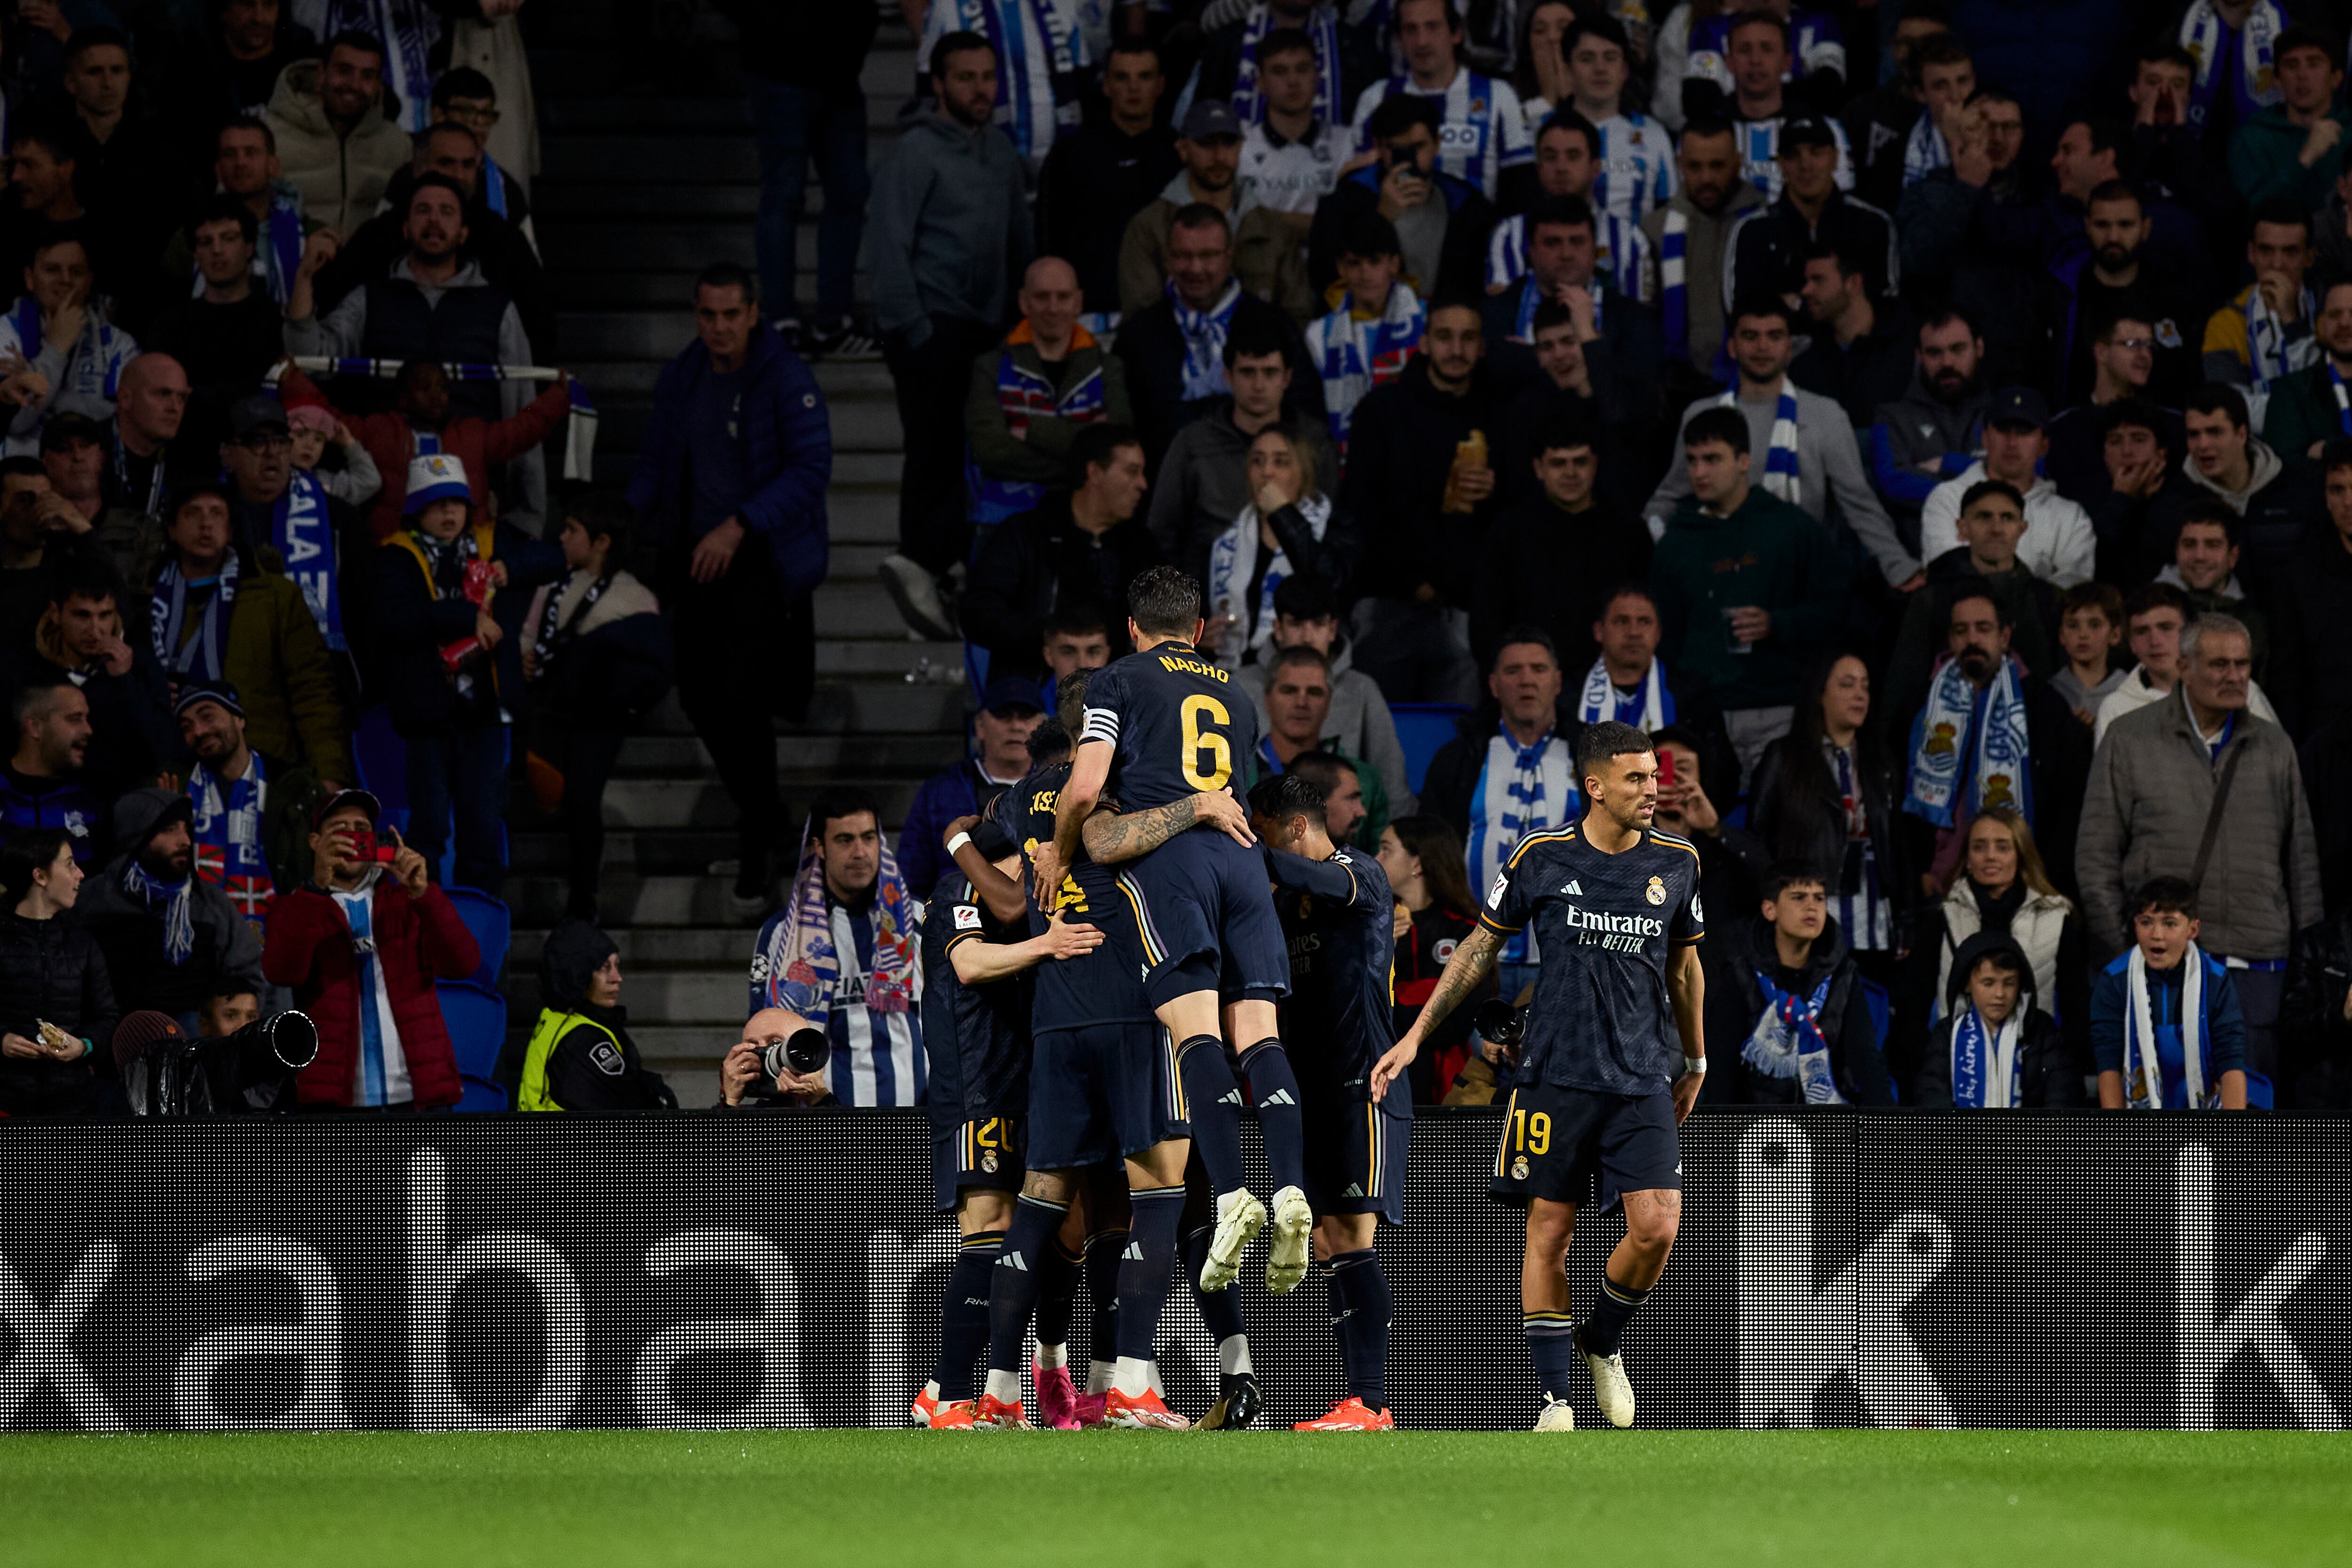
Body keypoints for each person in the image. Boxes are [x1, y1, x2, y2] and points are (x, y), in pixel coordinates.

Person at [1370, 720, 1704, 1433]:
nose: (1654, 789)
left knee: (1659, 1227)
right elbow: (1473, 954)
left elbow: (1684, 967)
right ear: (1596, 786)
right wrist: (1415, 1036)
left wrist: (1697, 1059)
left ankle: (1602, 1341)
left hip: (1643, 1072)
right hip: (1554, 1071)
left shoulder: (1678, 861)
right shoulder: (1540, 856)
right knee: (1550, 1232)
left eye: (1654, 777)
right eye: (1637, 779)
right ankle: (1554, 1400)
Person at [1049, 566, 1317, 1359]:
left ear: (1133, 628)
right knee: (1261, 1032)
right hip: (1242, 863)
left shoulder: (1117, 680)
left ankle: (1234, 1190)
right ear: (1199, 630)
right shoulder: (1235, 693)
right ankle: (1292, 1184)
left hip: (1174, 868)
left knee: (1195, 1031)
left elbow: (1088, 784)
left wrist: (1059, 852)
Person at [628, 262, 831, 912]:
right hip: (693, 559)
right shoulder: (684, 375)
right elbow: (658, 459)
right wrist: (627, 529)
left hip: (760, 562)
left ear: (752, 313)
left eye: (729, 315)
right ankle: (769, 815)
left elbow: (810, 468)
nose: (718, 327)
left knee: (743, 700)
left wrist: (741, 525)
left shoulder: (783, 377)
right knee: (699, 696)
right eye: (707, 315)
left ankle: (758, 841)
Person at [2077, 616, 2320, 1083]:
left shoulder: (2274, 746)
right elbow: (2094, 858)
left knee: (2243, 1134)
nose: (2233, 676)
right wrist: (2130, 950)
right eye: (2218, 665)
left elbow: (2301, 863)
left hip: (2256, 971)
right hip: (2160, 967)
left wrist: (2305, 967)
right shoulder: (2128, 739)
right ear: (2184, 668)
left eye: (2241, 664)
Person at [924, 812, 1103, 1430]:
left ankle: (1041, 1374)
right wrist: (1046, 943)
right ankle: (949, 1396)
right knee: (990, 1233)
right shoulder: (958, 891)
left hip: (1032, 1086)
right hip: (977, 1086)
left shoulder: (1037, 902)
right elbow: (970, 963)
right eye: (1030, 860)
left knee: (1059, 1231)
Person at [1246, 772, 1407, 1431]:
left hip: (1363, 1082)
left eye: (1259, 834)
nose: (1254, 848)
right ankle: (1358, 1401)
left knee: (1352, 1238)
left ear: (1295, 828)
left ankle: (1370, 1401)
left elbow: (1317, 881)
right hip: (1309, 1091)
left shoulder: (1360, 873)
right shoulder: (1285, 908)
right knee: (1331, 1244)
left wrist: (1219, 841)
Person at [867, 31, 1033, 640]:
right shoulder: (914, 152)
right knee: (934, 450)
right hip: (931, 325)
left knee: (974, 453)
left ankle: (937, 568)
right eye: (965, 77)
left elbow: (1022, 242)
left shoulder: (1001, 154)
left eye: (987, 76)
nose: (980, 88)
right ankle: (918, 562)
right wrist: (913, 330)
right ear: (938, 84)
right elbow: (887, 247)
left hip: (988, 332)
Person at [366, 452, 559, 895]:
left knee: (482, 823)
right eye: (436, 505)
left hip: (485, 713)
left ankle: (483, 927)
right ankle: (423, 916)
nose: (449, 513)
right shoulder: (395, 555)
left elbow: (554, 559)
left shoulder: (494, 542)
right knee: (429, 824)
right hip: (429, 715)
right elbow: (393, 619)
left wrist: (513, 568)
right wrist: (462, 618)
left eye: (456, 503)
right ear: (417, 511)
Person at [1645, 298, 1915, 595]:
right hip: (1716, 574)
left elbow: (1860, 505)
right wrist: (1656, 544)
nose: (1762, 347)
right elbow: (1669, 497)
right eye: (1750, 336)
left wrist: (1899, 568)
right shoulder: (1701, 415)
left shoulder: (1825, 415)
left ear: (1790, 348)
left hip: (1800, 580)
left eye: (1774, 336)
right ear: (1733, 347)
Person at [1648, 405, 1848, 784]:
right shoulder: (1676, 541)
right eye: (1692, 461)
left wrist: (1777, 623)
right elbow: (1665, 637)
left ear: (1744, 461)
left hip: (1778, 709)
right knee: (1695, 829)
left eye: (1712, 459)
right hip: (1699, 716)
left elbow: (1837, 609)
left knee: (1781, 831)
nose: (1699, 472)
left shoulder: (1791, 528)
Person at [262, 788, 481, 1110]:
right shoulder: (295, 907)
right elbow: (282, 971)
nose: (352, 838)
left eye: (361, 830)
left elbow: (463, 964)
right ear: (315, 841)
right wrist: (316, 888)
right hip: (334, 1102)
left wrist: (424, 894)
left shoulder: (409, 903)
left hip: (418, 1097)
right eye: (340, 830)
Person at [519, 489, 671, 923]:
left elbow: (645, 666)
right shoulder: (552, 584)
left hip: (599, 718)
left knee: (584, 799)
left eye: (572, 531)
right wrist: (526, 658)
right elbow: (530, 635)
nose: (562, 538)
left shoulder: (633, 597)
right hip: (553, 709)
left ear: (602, 542)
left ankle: (583, 896)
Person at [1340, 295, 1499, 705]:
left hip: (1465, 610)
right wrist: (1415, 582)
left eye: (1468, 339)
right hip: (1387, 601)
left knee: (1454, 736)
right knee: (1381, 734)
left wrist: (1495, 488)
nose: (1457, 349)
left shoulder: (1499, 415)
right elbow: (1362, 510)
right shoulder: (1381, 411)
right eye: (1445, 337)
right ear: (1424, 342)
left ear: (1482, 347)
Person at [1416, 629, 1583, 1001]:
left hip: (1567, 962)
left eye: (1538, 669)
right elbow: (1430, 851)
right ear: (1493, 684)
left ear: (1557, 682)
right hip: (1474, 961)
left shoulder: (1590, 756)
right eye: (1514, 671)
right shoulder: (1459, 758)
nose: (1526, 680)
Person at [150, 483, 351, 784]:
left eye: (217, 514)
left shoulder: (276, 597)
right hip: (176, 777)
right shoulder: (148, 604)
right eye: (193, 514)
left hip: (269, 771)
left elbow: (313, 693)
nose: (206, 524)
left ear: (230, 530)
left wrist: (330, 775)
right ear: (171, 530)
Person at [1899, 584, 2090, 899]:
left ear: (2004, 636)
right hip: (1940, 883)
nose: (1972, 639)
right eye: (1962, 630)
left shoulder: (2043, 705)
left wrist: (2046, 876)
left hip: (2025, 883)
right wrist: (1919, 868)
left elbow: (2068, 802)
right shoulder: (1921, 707)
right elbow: (1904, 803)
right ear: (1951, 639)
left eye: (1983, 628)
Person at [1111, 203, 1323, 473]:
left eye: (1208, 255)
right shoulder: (1138, 336)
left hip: (1263, 485)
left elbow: (1308, 417)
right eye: (1183, 256)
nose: (1196, 269)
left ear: (1228, 257)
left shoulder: (1275, 324)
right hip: (1172, 489)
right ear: (1169, 259)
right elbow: (1123, 433)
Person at [747, 788, 925, 1106]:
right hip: (823, 1124)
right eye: (845, 840)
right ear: (820, 847)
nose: (860, 852)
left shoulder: (921, 920)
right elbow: (761, 1036)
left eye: (869, 837)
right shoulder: (780, 934)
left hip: (917, 1118)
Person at [275, 357, 569, 543]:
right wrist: (293, 381)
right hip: (392, 551)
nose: (435, 396)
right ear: (402, 398)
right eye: (424, 388)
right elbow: (328, 417)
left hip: (464, 552)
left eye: (442, 388)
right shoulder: (379, 431)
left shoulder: (472, 435)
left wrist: (557, 396)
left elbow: (523, 428)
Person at [1747, 651, 1909, 986]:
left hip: (1875, 920)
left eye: (1865, 686)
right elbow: (1757, 838)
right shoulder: (1785, 757)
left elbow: (1897, 843)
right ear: (1820, 694)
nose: (1860, 694)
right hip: (1809, 915)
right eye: (1847, 685)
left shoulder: (1881, 761)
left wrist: (1905, 916)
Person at [729, 0, 874, 357]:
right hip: (780, 67)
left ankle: (831, 320)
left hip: (837, 71)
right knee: (785, 195)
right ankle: (781, 318)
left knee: (848, 193)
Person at [964, 423, 1161, 686]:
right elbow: (979, 612)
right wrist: (1049, 637)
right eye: (1132, 472)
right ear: (1094, 473)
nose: (1143, 485)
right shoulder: (1026, 535)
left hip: (1120, 700)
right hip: (1030, 697)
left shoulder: (1142, 548)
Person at [1903, 804, 2088, 1083]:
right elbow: (1913, 1007)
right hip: (1958, 1073)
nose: (1990, 856)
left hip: (2034, 1077)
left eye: (2002, 847)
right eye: (1979, 847)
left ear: (2021, 855)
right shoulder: (1943, 917)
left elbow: (2077, 1011)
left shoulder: (2057, 918)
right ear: (1967, 858)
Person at [1144, 316, 1337, 581]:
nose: (1258, 385)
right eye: (1248, 372)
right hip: (1211, 593)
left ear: (1287, 377)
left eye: (1270, 373)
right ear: (1228, 376)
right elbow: (1162, 533)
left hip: (1296, 593)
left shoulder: (1315, 441)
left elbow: (1335, 531)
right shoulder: (1193, 442)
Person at [1700, 860, 1890, 1106]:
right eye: (1799, 897)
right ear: (1770, 910)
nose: (1812, 906)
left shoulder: (1843, 976)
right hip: (1756, 1130)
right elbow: (1721, 1070)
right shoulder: (1742, 976)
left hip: (1827, 1125)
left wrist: (1889, 1131)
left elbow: (1866, 1062)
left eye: (1820, 898)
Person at [962, 257, 1132, 530]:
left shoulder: (1108, 368)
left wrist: (1030, 430)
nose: (1053, 308)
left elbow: (1115, 448)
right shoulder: (990, 368)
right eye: (1042, 297)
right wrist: (1081, 465)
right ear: (1024, 302)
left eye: (1063, 297)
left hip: (1087, 521)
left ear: (1078, 303)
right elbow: (990, 451)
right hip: (1006, 520)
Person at [76, 786, 264, 1030]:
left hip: (194, 1047)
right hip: (110, 1041)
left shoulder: (210, 904)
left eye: (187, 829)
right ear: (137, 837)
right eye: (169, 830)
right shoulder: (93, 900)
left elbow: (247, 979)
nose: (185, 841)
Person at [1473, 420, 1649, 673]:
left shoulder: (1628, 530)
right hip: (1533, 682)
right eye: (1558, 463)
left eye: (1580, 462)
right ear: (1538, 468)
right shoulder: (1509, 531)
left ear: (1595, 465)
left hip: (1611, 680)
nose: (1571, 473)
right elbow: (1487, 621)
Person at [1887, 479, 2062, 726]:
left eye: (2007, 518)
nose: (1996, 528)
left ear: (2022, 528)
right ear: (1962, 528)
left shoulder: (2048, 599)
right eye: (1984, 517)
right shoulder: (1930, 600)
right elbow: (1903, 686)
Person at [1119, 99, 1311, 320]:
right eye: (1207, 143)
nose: (1219, 156)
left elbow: (1298, 318)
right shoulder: (1148, 228)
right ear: (1183, 149)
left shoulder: (1273, 229)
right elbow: (1140, 323)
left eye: (1229, 144)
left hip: (1258, 352)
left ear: (1240, 147)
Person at [1234, 575, 1409, 812]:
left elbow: (1391, 784)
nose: (1307, 638)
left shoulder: (1362, 689)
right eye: (1296, 624)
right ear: (1278, 629)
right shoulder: (1241, 685)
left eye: (1317, 624)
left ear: (1333, 629)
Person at [11, 553, 176, 802]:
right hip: (42, 806)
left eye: (105, 615)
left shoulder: (140, 666)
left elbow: (161, 752)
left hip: (120, 805)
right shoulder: (23, 670)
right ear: (56, 613)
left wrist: (124, 681)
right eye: (82, 615)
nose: (95, 630)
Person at [1306, 93, 1495, 306]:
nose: (1409, 161)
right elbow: (1324, 278)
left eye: (1417, 148)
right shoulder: (1344, 202)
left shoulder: (1466, 203)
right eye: (1397, 151)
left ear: (1437, 144)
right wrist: (1382, 219)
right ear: (1378, 147)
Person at [1038, 39, 1181, 314]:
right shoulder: (1071, 153)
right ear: (1106, 85)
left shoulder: (1179, 152)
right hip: (1087, 311)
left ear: (1160, 86)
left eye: (1144, 77)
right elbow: (1048, 240)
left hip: (1163, 310)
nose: (1134, 87)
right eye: (1122, 77)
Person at [175, 678, 327, 931]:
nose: (199, 731)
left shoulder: (295, 788)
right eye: (187, 726)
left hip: (283, 936)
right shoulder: (174, 787)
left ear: (239, 719)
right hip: (197, 940)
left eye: (208, 717)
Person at [1347, 0, 1533, 206]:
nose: (1422, 42)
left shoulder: (1499, 96)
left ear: (1457, 34)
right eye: (1411, 30)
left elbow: (1520, 192)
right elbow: (1361, 186)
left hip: (1477, 232)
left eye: (1432, 27)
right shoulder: (1375, 99)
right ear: (1398, 39)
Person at [1202, 424, 1354, 673]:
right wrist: (1203, 643)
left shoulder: (1333, 527)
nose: (1267, 472)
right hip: (1236, 675)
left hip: (1305, 671)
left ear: (1303, 474)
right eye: (1257, 462)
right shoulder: (1226, 543)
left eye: (1281, 463)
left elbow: (1327, 581)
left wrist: (1284, 515)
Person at [2041, 184, 2207, 410]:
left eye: (2125, 225)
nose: (2113, 237)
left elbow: (2191, 383)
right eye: (2102, 225)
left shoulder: (2173, 300)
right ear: (2087, 226)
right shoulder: (2061, 297)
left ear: (2145, 228)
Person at [2089, 877, 2249, 1110]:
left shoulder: (2217, 981)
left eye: (2170, 924)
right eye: (2146, 922)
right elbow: (2109, 1066)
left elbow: (2231, 1063)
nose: (2157, 935)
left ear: (2193, 929)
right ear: (2135, 925)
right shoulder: (2114, 982)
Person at [144, 201, 292, 452]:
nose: (217, 250)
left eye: (229, 238)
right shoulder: (170, 325)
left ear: (249, 248)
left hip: (256, 448)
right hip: (184, 450)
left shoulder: (274, 321)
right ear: (195, 254)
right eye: (205, 243)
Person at [1918, 388, 2096, 588]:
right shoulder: (1947, 499)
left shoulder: (2071, 517)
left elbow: (2072, 593)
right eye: (2003, 430)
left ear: (2044, 446)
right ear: (1985, 439)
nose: (2012, 443)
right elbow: (1949, 575)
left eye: (2023, 432)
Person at [2149, 383, 2312, 595]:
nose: (2203, 445)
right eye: (2194, 435)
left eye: (2214, 432)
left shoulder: (2295, 491)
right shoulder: (2172, 507)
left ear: (2242, 434)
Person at [1638, 116, 1765, 384]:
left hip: (1753, 379)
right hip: (1678, 382)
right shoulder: (1653, 229)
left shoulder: (1764, 225)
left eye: (1717, 166)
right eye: (1695, 167)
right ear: (1679, 165)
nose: (1706, 178)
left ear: (1738, 163)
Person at [1722, 112, 1894, 309]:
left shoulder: (1873, 225)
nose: (1805, 165)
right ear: (1781, 165)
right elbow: (1740, 310)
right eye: (1793, 155)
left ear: (1835, 159)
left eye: (1816, 152)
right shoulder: (1752, 232)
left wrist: (1794, 304)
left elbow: (1887, 308)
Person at [1376, 812, 1493, 1102]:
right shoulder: (1371, 930)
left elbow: (1462, 1019)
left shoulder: (1466, 931)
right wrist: (1380, 948)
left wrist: (1404, 1022)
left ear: (1417, 863)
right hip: (1383, 1076)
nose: (1375, 858)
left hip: (1449, 1083)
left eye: (1386, 849)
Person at [0, 825, 115, 1116]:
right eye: (70, 864)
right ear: (40, 876)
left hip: (72, 1103)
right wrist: (1, 1040)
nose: (80, 874)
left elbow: (107, 1019)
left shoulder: (83, 944)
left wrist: (83, 1045)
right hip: (7, 1100)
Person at [1482, 113, 1651, 308]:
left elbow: (1638, 319)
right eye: (1551, 157)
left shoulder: (1630, 239)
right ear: (1539, 169)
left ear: (1595, 168)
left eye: (1573, 156)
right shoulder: (1508, 236)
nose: (1561, 167)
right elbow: (1504, 314)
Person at [898, 678, 1042, 899]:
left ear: (1042, 725)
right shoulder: (939, 792)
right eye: (1003, 715)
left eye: (1026, 716)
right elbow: (911, 881)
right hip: (952, 921)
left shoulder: (1056, 786)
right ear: (980, 726)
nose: (1016, 726)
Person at [0, 232, 139, 458]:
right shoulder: (4, 334)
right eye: (52, 270)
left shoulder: (118, 345)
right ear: (30, 279)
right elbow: (16, 422)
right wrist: (57, 348)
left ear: (88, 282)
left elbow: (125, 423)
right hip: (19, 475)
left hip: (89, 477)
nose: (65, 280)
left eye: (76, 272)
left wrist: (44, 388)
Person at [264, 31, 413, 240]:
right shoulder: (271, 138)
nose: (354, 85)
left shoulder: (398, 145)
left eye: (368, 76)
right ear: (322, 73)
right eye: (344, 71)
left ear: (379, 84)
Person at [516, 918, 675, 1111]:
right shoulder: (584, 1041)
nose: (617, 978)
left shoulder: (555, 1017)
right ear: (578, 973)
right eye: (604, 968)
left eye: (617, 966)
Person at [913, 0, 1089, 174]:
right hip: (973, 172)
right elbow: (928, 90)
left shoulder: (1062, 4)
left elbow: (1084, 85)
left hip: (1059, 170)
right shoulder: (949, 6)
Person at [2094, 582, 2281, 745]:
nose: (2155, 641)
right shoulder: (2116, 708)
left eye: (2166, 628)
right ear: (2132, 644)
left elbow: (2276, 763)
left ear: (2191, 633)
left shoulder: (2239, 690)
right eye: (2142, 631)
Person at [1915, 934, 2086, 1108]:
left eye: (2009, 983)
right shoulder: (1947, 1033)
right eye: (1988, 983)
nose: (2000, 994)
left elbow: (2063, 1091)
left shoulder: (2041, 1029)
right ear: (1967, 984)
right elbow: (1932, 1093)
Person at [1303, 211, 1423, 454]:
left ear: (1394, 264)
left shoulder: (1426, 321)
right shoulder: (1318, 335)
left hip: (1416, 455)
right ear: (1341, 269)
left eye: (1375, 261)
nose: (1365, 274)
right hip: (1349, 464)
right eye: (1355, 263)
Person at [1867, 307, 1989, 522]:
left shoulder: (2003, 414)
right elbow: (1895, 482)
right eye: (1934, 353)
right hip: (1920, 551)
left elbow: (2025, 479)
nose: (1947, 363)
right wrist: (1985, 489)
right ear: (1919, 357)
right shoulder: (1892, 417)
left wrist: (1948, 463)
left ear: (1979, 348)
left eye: (1958, 349)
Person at [1232, 23, 1361, 222]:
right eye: (1280, 71)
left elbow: (1352, 225)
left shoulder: (1347, 145)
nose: (1293, 81)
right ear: (1260, 83)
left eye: (1302, 69)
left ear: (1318, 78)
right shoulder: (1240, 149)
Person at [2270, 436, 2352, 738]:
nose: (2349, 502)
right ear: (2326, 498)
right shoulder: (2299, 579)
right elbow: (2289, 679)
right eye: (2338, 490)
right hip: (2327, 745)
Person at [2200, 201, 2317, 402]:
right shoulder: (2226, 324)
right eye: (2266, 251)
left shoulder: (2331, 311)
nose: (2277, 264)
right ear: (2251, 254)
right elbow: (2230, 410)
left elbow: (2330, 394)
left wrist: (2291, 322)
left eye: (2290, 252)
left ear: (2310, 257)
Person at [1788, 240, 1912, 427]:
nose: (1806, 291)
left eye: (1818, 280)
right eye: (1807, 281)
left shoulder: (1907, 350)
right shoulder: (1807, 363)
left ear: (1853, 284)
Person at [2225, 24, 2341, 208]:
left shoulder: (2350, 133)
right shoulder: (2250, 140)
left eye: (2314, 64)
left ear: (2336, 78)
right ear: (2276, 81)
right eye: (2292, 65)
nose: (2302, 75)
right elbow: (2255, 213)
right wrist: (2306, 159)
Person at [2256, 277, 2352, 478]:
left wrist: (2328, 449)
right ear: (2322, 325)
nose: (2345, 323)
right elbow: (2283, 469)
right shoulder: (2291, 391)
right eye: (2335, 315)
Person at [0, 676, 102, 863]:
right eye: (75, 719)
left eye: (87, 719)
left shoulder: (90, 798)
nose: (88, 730)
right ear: (35, 727)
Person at [2160, 502, 2269, 672]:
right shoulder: (2148, 612)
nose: (2200, 556)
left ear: (2233, 556)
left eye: (2212, 545)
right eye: (2189, 544)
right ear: (2177, 551)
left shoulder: (2253, 620)